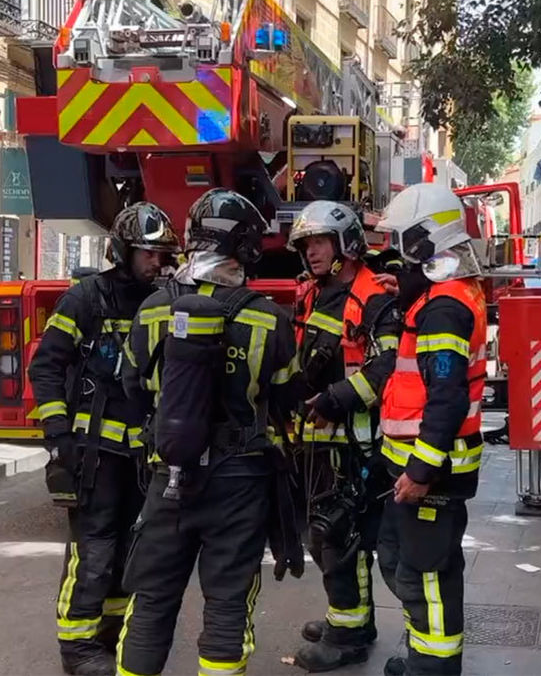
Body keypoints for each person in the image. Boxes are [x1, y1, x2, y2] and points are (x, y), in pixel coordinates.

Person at [116, 189, 300, 676]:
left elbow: (132, 384)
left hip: (168, 473)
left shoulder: (154, 308)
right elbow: (286, 397)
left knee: (152, 600)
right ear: (243, 247)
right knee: (227, 605)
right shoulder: (269, 318)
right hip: (239, 480)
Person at [26, 202, 180, 676]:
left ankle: (109, 635)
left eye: (163, 255)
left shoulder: (168, 303)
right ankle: (77, 646)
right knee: (93, 550)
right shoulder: (86, 299)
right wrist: (58, 437)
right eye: (148, 254)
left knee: (130, 551)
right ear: (122, 251)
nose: (158, 263)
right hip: (95, 454)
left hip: (144, 457)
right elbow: (45, 365)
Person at [374, 182, 488, 676]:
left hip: (434, 470)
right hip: (420, 466)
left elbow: (446, 396)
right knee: (408, 564)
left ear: (422, 245)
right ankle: (424, 655)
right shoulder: (439, 299)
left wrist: (421, 469)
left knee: (430, 575)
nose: (390, 258)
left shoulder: (445, 306)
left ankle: (434, 668)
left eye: (397, 246)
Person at [285, 201, 401, 672]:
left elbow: (388, 366)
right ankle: (353, 618)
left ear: (346, 245)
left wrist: (337, 397)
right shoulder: (314, 293)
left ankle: (348, 635)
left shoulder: (375, 295)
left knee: (338, 535)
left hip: (355, 442)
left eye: (319, 242)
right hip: (317, 439)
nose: (310, 252)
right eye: (306, 244)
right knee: (330, 535)